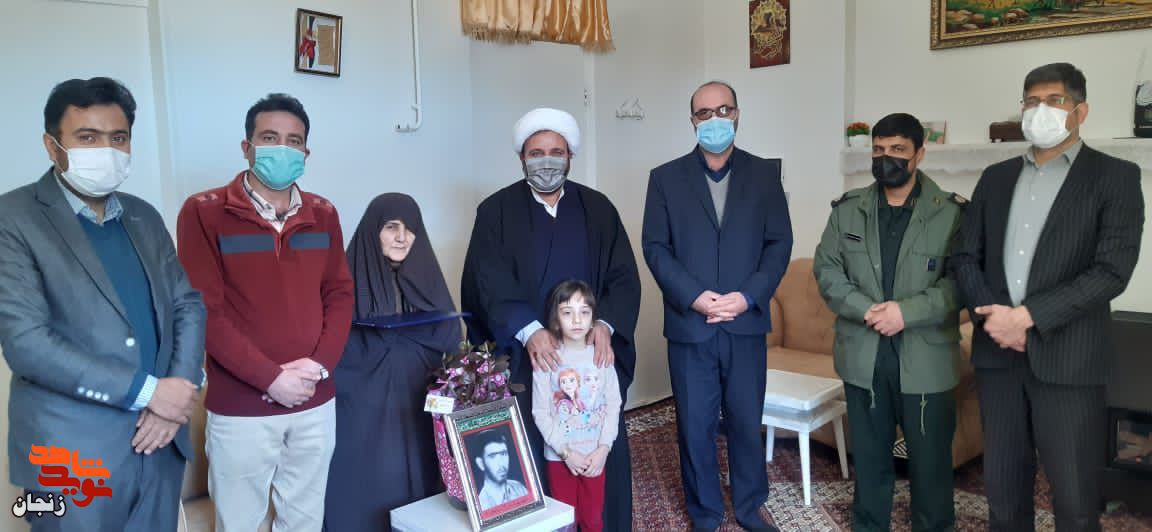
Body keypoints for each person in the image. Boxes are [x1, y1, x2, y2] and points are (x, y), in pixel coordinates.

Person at [0, 77, 206, 531]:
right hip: (66, 456)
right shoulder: (12, 218)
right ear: (52, 146)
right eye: (88, 137)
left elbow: (186, 305)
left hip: (160, 443)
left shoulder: (143, 214)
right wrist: (150, 393)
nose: (106, 150)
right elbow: (26, 343)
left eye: (118, 138)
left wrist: (175, 393)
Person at [951, 62, 1145, 532]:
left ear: (1081, 111)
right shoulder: (995, 178)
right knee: (1003, 492)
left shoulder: (1115, 177)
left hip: (1069, 359)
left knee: (1075, 498)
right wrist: (994, 320)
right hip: (998, 357)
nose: (1041, 110)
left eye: (1054, 100)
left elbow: (1111, 271)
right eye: (1032, 101)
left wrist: (1028, 317)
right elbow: (965, 256)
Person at [176, 93, 354, 531]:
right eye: (270, 138)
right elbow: (205, 310)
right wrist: (271, 379)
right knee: (239, 521)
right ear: (247, 147)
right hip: (241, 408)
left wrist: (318, 367)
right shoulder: (205, 212)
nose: (283, 148)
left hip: (314, 399)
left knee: (305, 519)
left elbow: (339, 294)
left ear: (306, 152)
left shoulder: (323, 213)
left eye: (294, 141)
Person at [460, 107, 641, 529]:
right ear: (521, 158)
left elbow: (624, 278)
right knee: (537, 446)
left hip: (589, 356)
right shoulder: (495, 211)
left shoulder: (598, 208)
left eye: (556, 152)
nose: (547, 161)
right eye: (536, 152)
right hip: (531, 359)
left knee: (597, 453)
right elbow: (487, 282)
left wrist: (605, 325)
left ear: (570, 156)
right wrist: (529, 331)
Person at [641, 81, 792, 532]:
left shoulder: (764, 174)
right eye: (704, 113)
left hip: (745, 323)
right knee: (695, 426)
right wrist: (694, 296)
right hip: (691, 324)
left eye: (723, 110)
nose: (714, 119)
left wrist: (747, 296)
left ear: (737, 115)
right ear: (692, 121)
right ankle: (705, 512)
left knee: (746, 422)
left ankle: (749, 506)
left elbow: (779, 244)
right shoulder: (665, 178)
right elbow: (656, 248)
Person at [814, 113, 966, 531]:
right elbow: (827, 270)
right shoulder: (848, 210)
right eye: (878, 150)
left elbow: (961, 283)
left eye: (897, 150)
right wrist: (865, 308)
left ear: (919, 154)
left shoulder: (952, 213)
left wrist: (905, 313)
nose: (886, 158)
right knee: (870, 461)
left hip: (927, 359)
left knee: (931, 466)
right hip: (864, 356)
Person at [323, 193, 462, 531]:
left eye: (410, 228)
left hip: (419, 412)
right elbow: (333, 350)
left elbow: (449, 343)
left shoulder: (428, 282)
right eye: (391, 227)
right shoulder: (344, 285)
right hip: (363, 417)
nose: (402, 237)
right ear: (374, 231)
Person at [532, 280, 623, 532]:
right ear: (556, 319)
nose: (576, 320)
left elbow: (613, 405)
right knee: (565, 523)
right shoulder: (548, 360)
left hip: (595, 458)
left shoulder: (601, 356)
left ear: (593, 318)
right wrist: (565, 453)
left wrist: (604, 449)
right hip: (560, 458)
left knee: (593, 519)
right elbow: (541, 413)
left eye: (584, 312)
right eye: (567, 312)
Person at [471, 429, 529, 511]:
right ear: (481, 463)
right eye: (492, 456)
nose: (501, 463)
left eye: (503, 454)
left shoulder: (519, 487)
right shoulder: (482, 505)